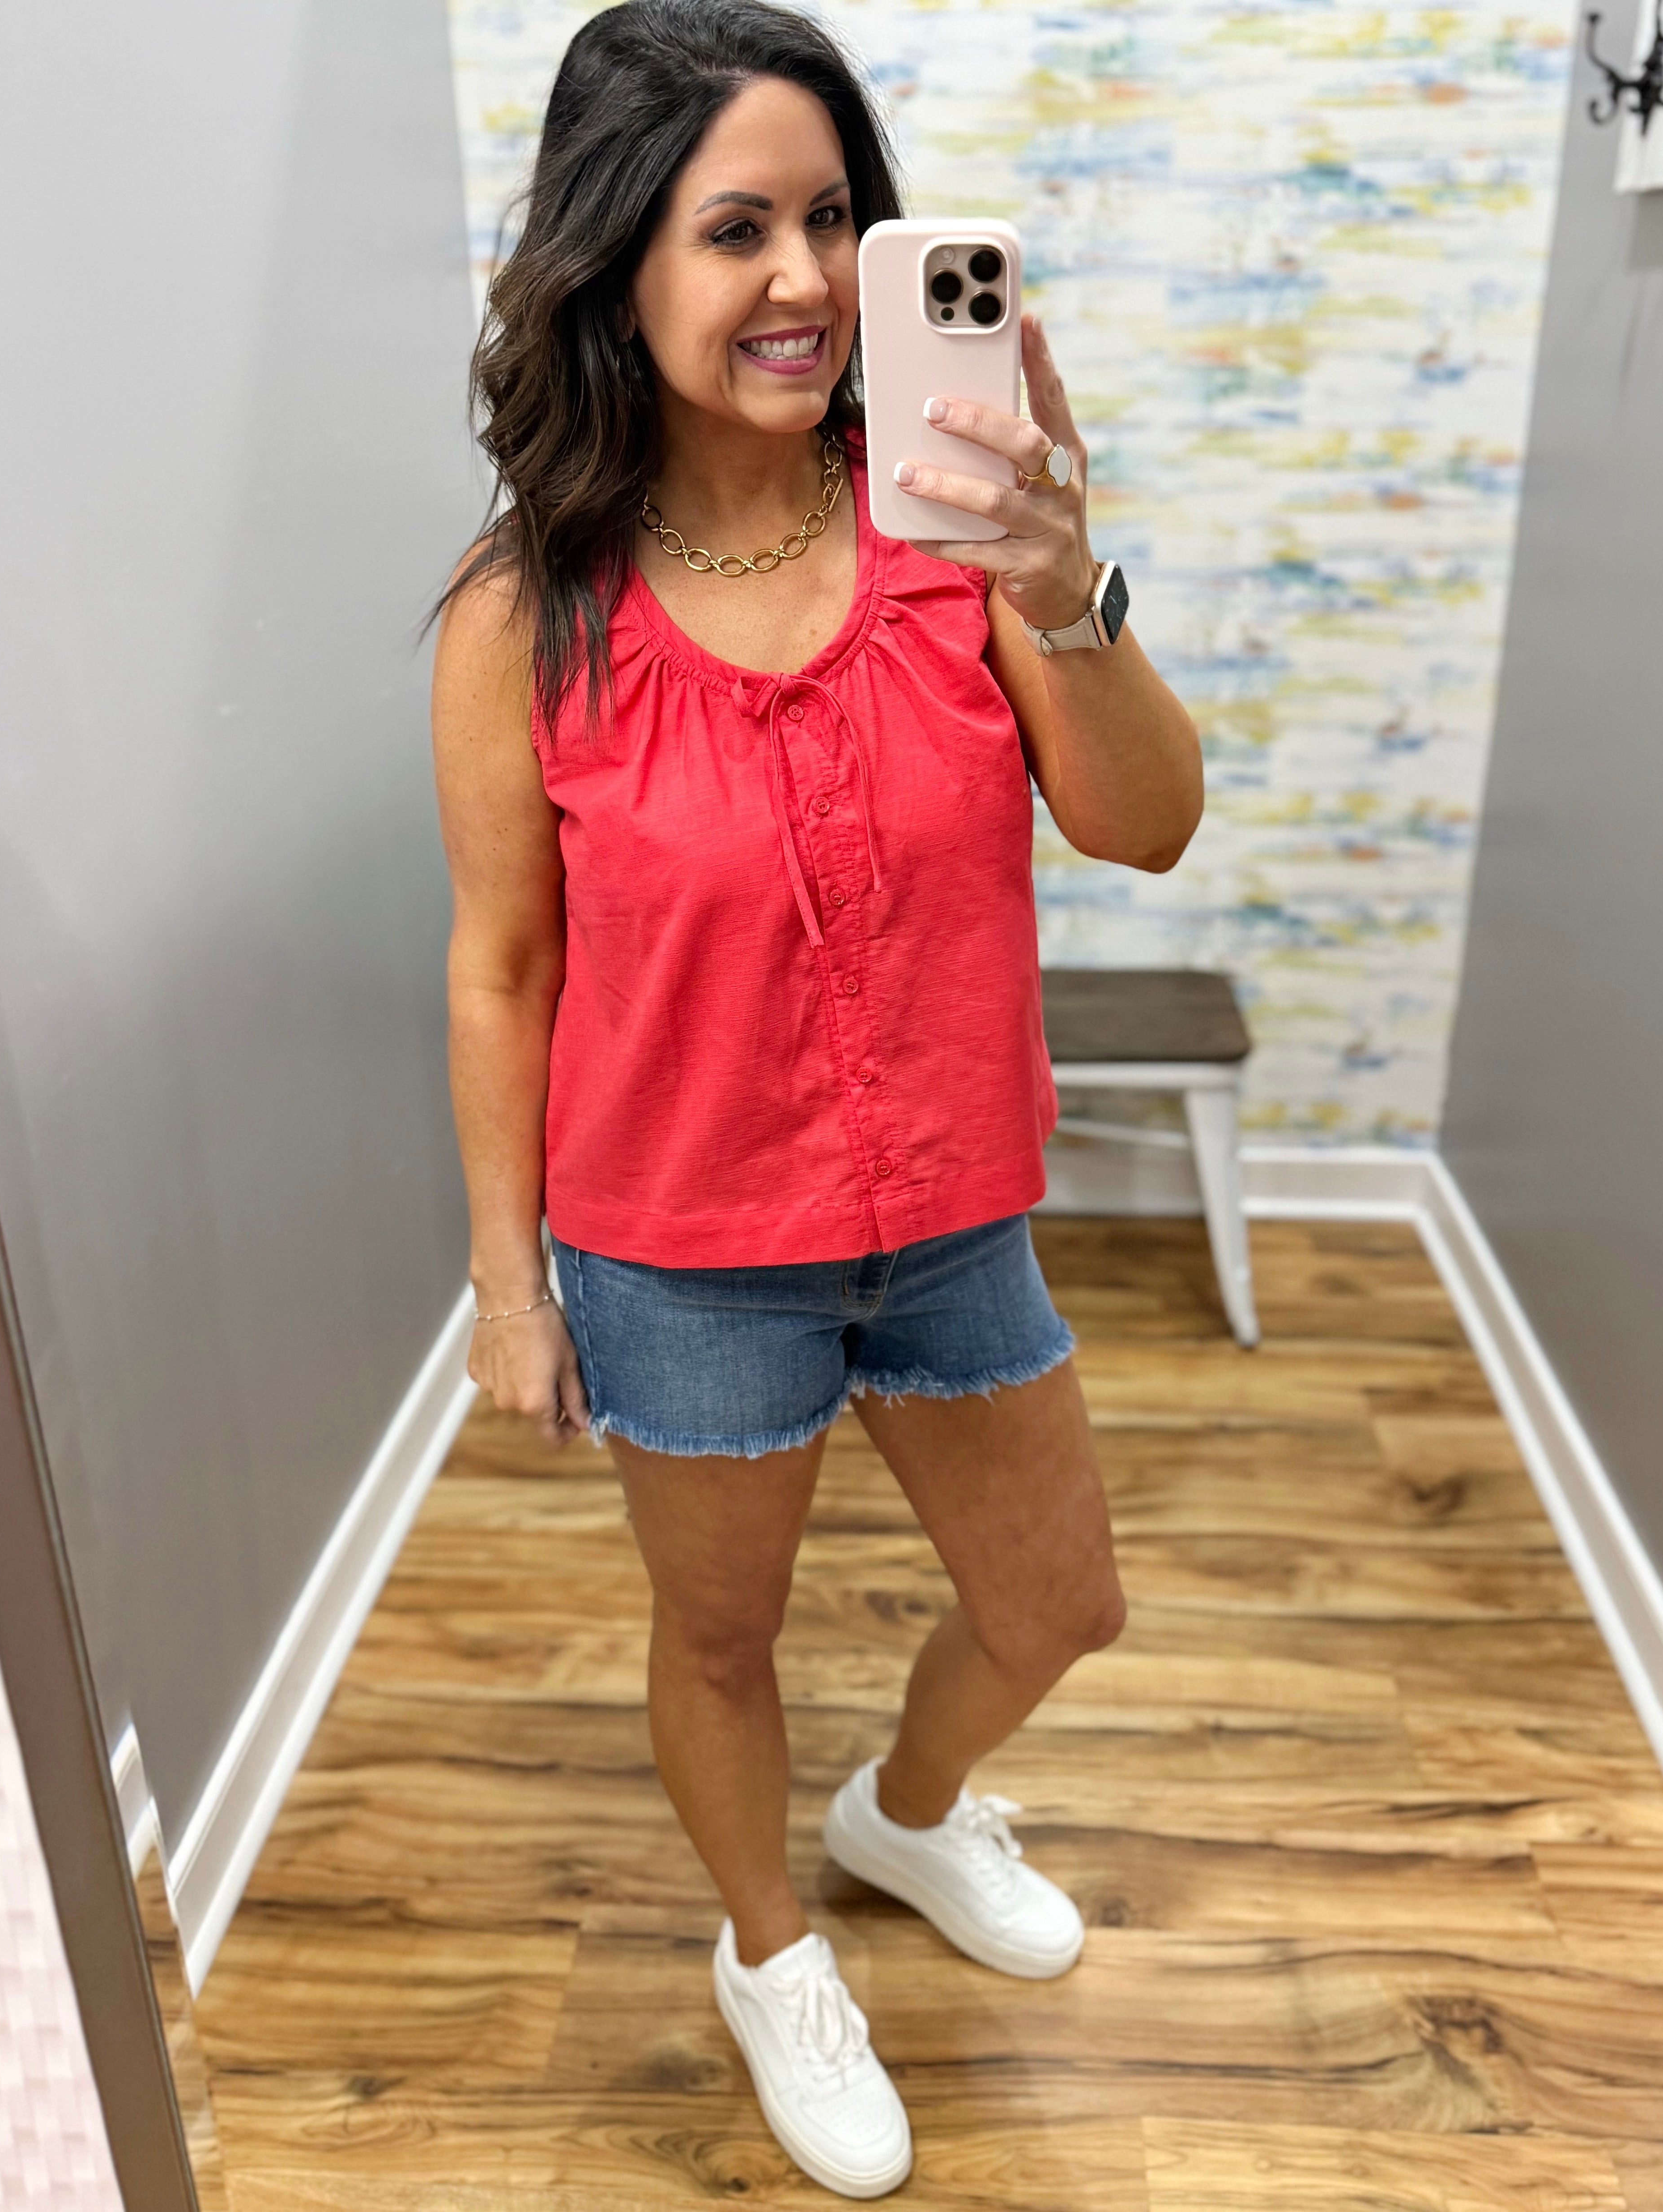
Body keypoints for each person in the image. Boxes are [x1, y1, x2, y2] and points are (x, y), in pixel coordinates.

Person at [430, 1, 1202, 2195]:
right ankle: (768, 1948)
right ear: (612, 267)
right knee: (719, 1636)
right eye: (734, 228)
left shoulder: (957, 532)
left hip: (946, 1213)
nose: (799, 278)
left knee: (1057, 1606)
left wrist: (1063, 585)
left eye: (832, 219)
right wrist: (509, 1285)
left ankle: (907, 1814)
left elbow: (1143, 826)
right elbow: (500, 969)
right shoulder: (521, 619)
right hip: (678, 1253)